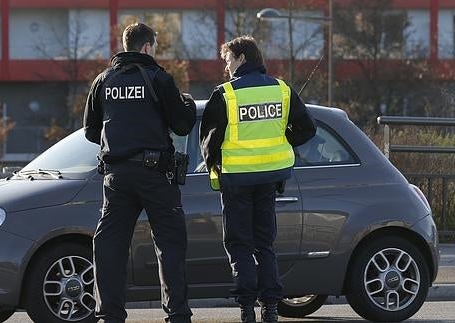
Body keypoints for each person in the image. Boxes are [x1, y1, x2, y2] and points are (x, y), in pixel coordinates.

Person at [83, 22, 195, 323]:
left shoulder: (103, 81)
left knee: (109, 246)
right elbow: (183, 125)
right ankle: (177, 316)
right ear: (147, 46)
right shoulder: (158, 78)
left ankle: (109, 316)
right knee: (169, 244)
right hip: (155, 174)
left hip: (116, 177)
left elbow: (91, 131)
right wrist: (184, 103)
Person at [199, 36, 316, 323]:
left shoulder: (226, 94)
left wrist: (214, 163)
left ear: (240, 58)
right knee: (264, 243)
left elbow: (208, 143)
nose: (226, 67)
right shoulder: (282, 89)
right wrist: (282, 142)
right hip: (269, 179)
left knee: (239, 243)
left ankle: (246, 308)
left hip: (236, 180)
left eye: (228, 60)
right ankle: (272, 308)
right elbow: (307, 129)